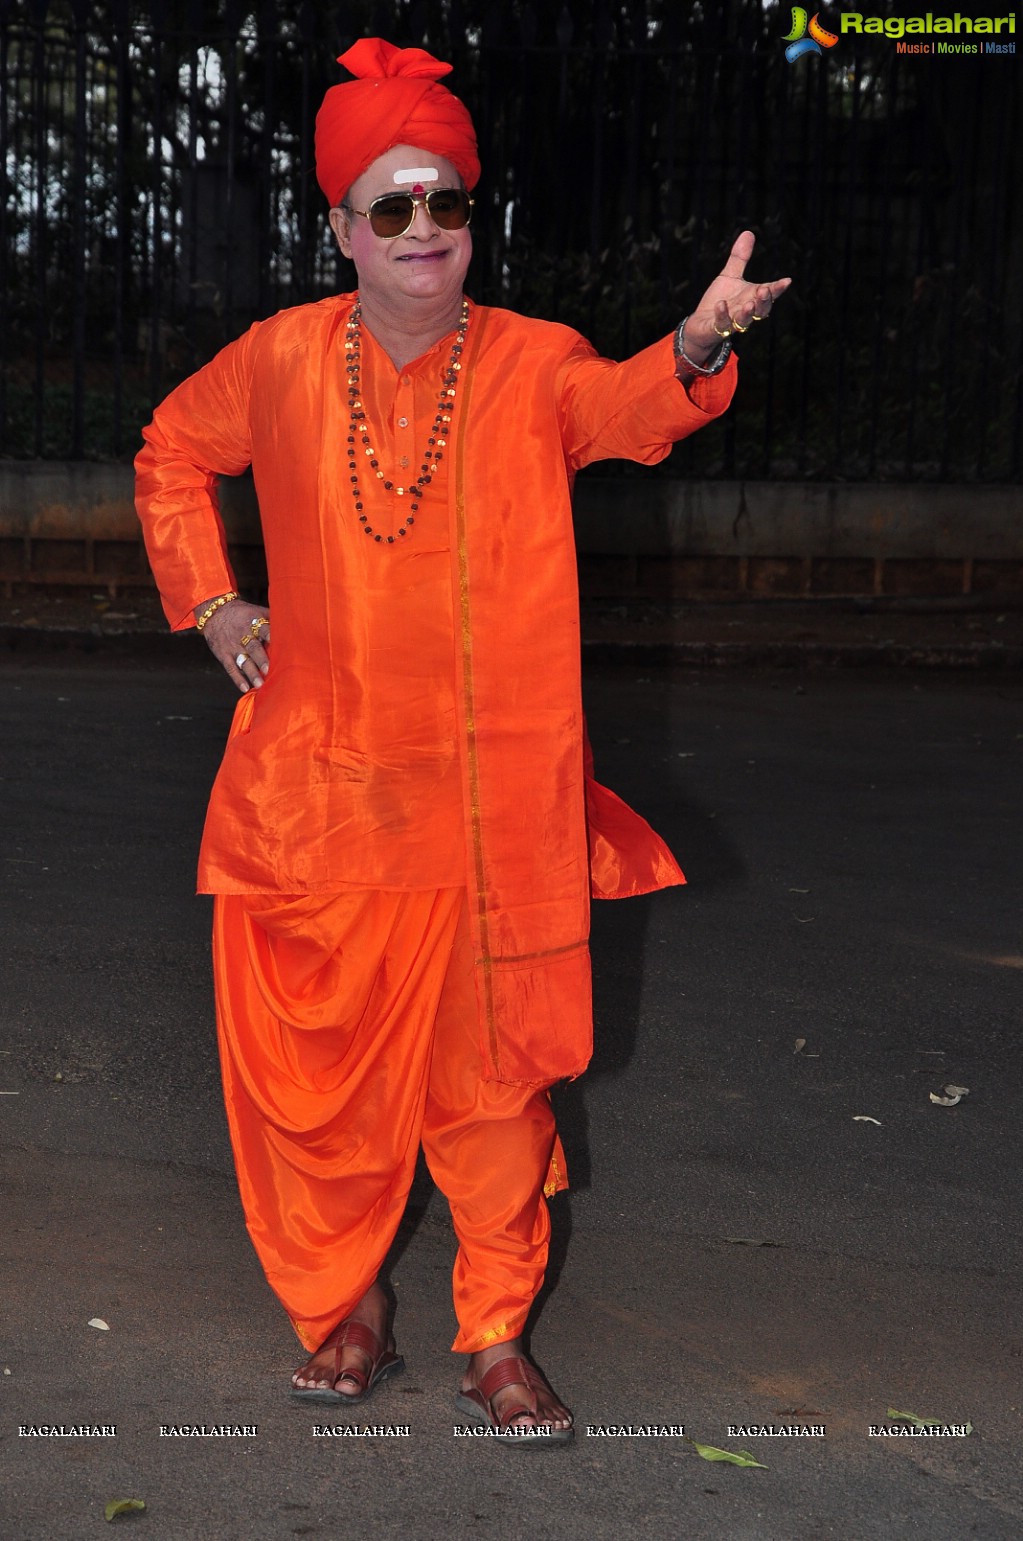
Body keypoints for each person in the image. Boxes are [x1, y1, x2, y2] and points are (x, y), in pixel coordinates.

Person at [135, 37, 790, 1445]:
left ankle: (495, 1333)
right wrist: (213, 597)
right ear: (341, 231)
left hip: (490, 805)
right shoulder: (277, 362)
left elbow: (629, 405)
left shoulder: (531, 365)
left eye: (446, 202)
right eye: (392, 207)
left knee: (494, 1090)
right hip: (324, 799)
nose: (424, 230)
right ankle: (349, 1306)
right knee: (329, 1089)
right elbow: (168, 451)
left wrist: (696, 343)